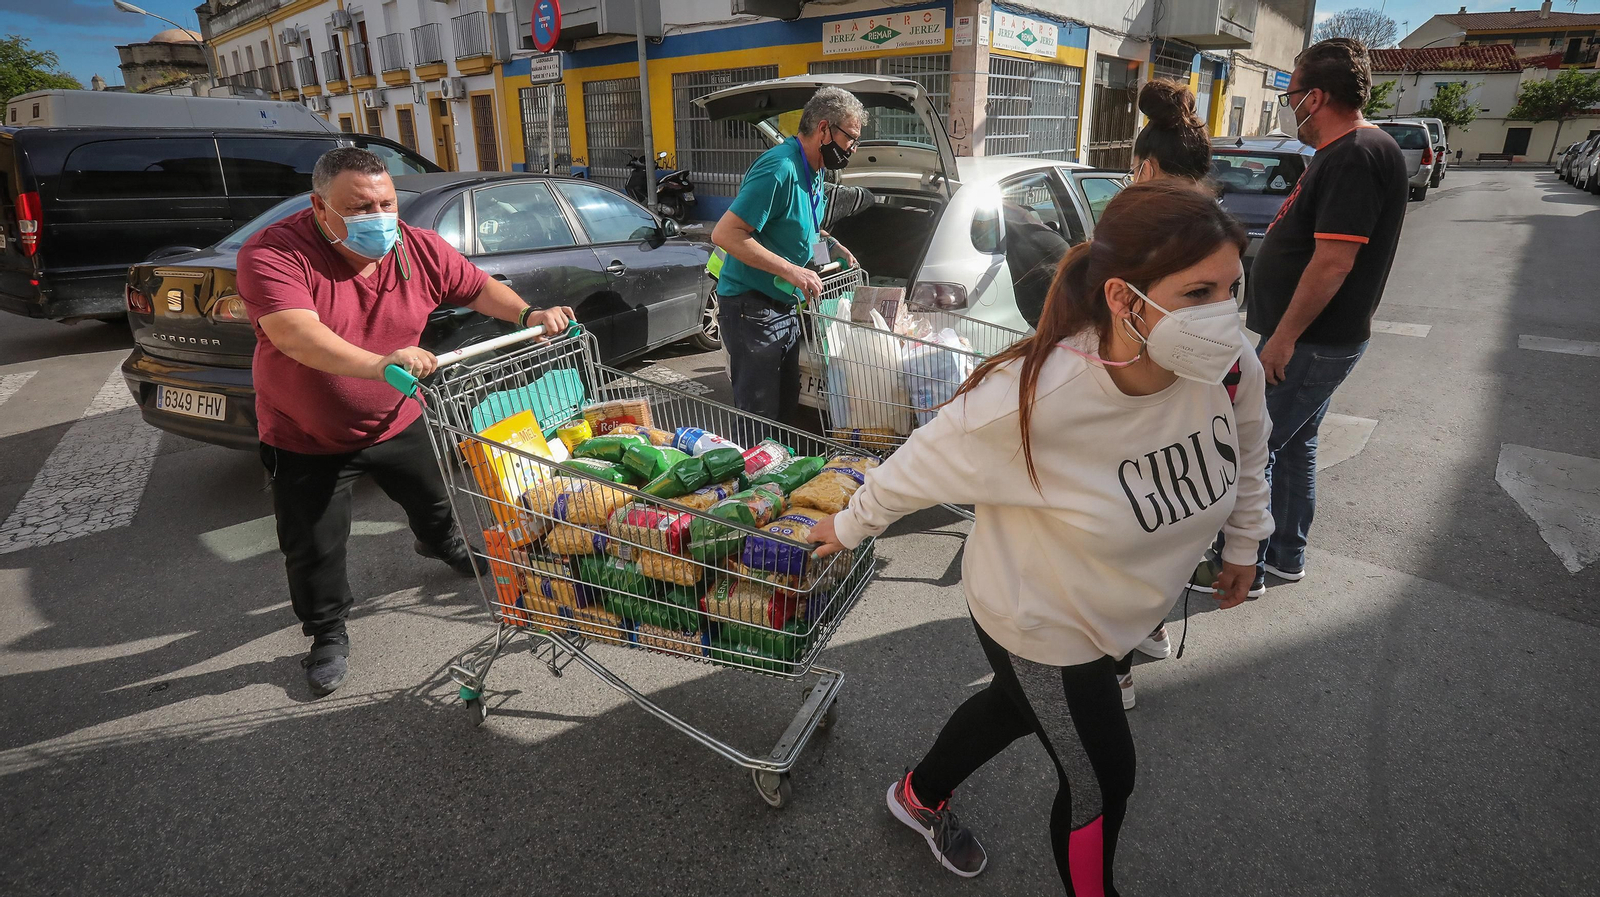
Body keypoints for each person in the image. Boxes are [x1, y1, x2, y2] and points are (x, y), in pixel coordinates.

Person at [809, 182, 1272, 893]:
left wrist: (1244, 542)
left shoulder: (1227, 364)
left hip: (1116, 606)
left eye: (1231, 289)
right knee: (1103, 778)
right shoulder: (1034, 400)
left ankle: (918, 794)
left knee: (1013, 707)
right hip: (1043, 621)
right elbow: (917, 466)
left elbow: (1248, 445)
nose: (1222, 315)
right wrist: (843, 527)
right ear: (1124, 299)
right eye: (1198, 291)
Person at [236, 148, 573, 698]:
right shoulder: (275, 252)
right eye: (360, 206)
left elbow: (477, 287)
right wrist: (377, 365)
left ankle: (441, 543)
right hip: (307, 436)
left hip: (397, 417)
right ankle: (326, 632)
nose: (378, 216)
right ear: (321, 208)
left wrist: (528, 314)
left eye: (386, 202)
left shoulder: (416, 249)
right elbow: (294, 334)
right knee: (314, 545)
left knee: (433, 499)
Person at [1243, 37, 1407, 587]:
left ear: (1314, 97)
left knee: (1255, 447)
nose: (1287, 104)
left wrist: (1284, 337)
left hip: (1310, 342)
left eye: (1289, 92)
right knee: (1294, 446)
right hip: (1316, 340)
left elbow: (1333, 261)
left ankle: (1247, 563)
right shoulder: (1349, 151)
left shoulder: (1356, 154)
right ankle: (1286, 555)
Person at [1118, 76, 1226, 705]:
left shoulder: (1148, 236)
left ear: (1149, 166)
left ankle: (1118, 671)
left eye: (1134, 168)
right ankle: (1154, 627)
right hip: (1201, 415)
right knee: (1169, 522)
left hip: (1143, 405)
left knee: (1130, 532)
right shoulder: (1221, 230)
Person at [710, 87, 862, 424]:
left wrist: (830, 245)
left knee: (785, 412)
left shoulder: (816, 170)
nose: (852, 148)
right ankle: (752, 476)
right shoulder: (779, 168)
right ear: (824, 129)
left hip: (783, 307)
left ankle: (777, 473)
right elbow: (725, 234)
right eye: (850, 138)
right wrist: (792, 271)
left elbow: (802, 226)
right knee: (760, 417)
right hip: (752, 309)